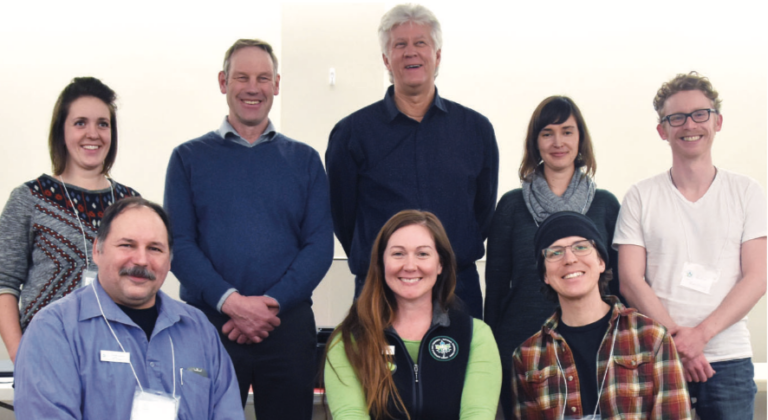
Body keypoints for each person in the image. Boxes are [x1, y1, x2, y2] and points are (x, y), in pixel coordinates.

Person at [164, 38, 334, 420]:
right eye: (242, 77)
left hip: (287, 328)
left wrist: (269, 304)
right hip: (210, 326)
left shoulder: (305, 161)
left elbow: (320, 245)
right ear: (223, 82)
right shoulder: (187, 159)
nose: (252, 87)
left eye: (263, 77)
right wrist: (233, 304)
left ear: (277, 84)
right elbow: (179, 244)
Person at [326, 4, 499, 319]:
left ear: (437, 55)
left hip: (456, 290)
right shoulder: (352, 134)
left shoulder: (475, 130)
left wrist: (446, 252)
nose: (410, 52)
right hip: (380, 294)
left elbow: (482, 212)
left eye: (420, 43)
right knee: (381, 369)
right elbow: (344, 217)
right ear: (386, 60)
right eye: (399, 44)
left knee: (460, 369)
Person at [614, 71, 766, 419]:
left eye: (700, 114)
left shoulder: (747, 192)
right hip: (658, 357)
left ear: (718, 121)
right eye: (676, 117)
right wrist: (678, 342)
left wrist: (700, 337)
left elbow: (757, 278)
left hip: (728, 359)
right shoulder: (640, 196)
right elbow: (630, 280)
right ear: (662, 130)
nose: (689, 124)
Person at [13, 197, 243, 419]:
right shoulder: (54, 329)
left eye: (155, 248)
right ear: (97, 250)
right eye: (127, 245)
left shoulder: (199, 329)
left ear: (170, 260)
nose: (141, 260)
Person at [483, 96, 620, 418]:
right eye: (547, 133)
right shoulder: (512, 206)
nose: (558, 142)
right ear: (535, 143)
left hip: (595, 342)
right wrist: (490, 350)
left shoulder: (605, 205)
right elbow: (497, 287)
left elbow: (619, 284)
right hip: (521, 344)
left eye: (567, 131)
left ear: (580, 140)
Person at [0, 77, 139, 363]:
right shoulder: (29, 198)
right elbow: (4, 284)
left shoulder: (131, 204)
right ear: (61, 131)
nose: (93, 133)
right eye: (80, 123)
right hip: (47, 357)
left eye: (103, 123)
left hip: (118, 359)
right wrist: (21, 356)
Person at [511, 211, 691, 419]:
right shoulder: (527, 357)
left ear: (601, 262)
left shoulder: (651, 337)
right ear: (545, 275)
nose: (569, 259)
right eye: (555, 252)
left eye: (581, 247)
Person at [324, 210, 502, 420]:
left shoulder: (476, 336)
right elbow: (350, 415)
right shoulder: (347, 340)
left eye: (423, 254)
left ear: (440, 265)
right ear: (381, 264)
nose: (409, 266)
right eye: (398, 254)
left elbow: (477, 415)